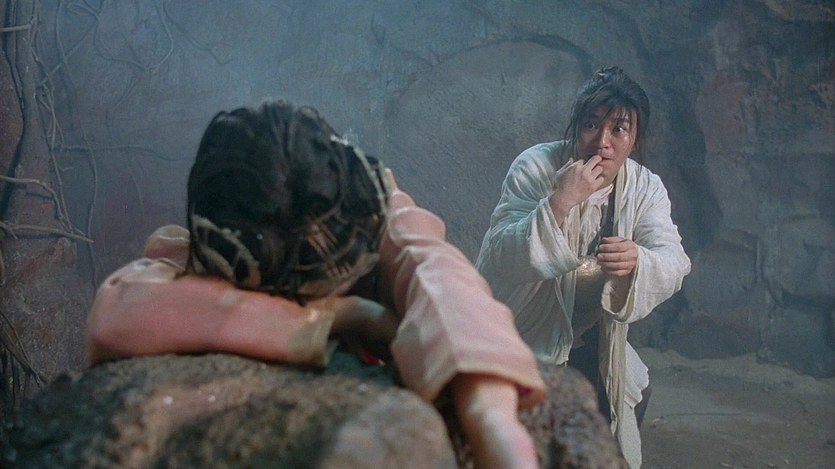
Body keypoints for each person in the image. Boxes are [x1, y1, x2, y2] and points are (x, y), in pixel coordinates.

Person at [85, 100, 547, 469]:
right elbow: (119, 314)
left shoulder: (368, 199)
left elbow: (435, 269)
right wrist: (332, 317)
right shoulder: (216, 247)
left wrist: (488, 408)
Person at [475, 66, 691, 468]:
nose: (602, 142)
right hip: (526, 330)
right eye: (591, 124)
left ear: (634, 139)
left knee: (634, 392)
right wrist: (558, 203)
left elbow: (674, 261)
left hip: (595, 336)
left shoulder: (644, 187)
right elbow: (499, 254)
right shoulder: (535, 167)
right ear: (576, 126)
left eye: (619, 130)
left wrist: (638, 260)